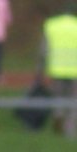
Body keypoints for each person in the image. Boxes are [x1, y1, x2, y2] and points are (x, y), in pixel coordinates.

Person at [37, 3, 77, 138]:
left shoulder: (52, 25)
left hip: (57, 68)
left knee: (58, 96)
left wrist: (40, 70)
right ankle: (70, 129)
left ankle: (58, 114)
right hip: (75, 69)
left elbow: (44, 50)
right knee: (73, 99)